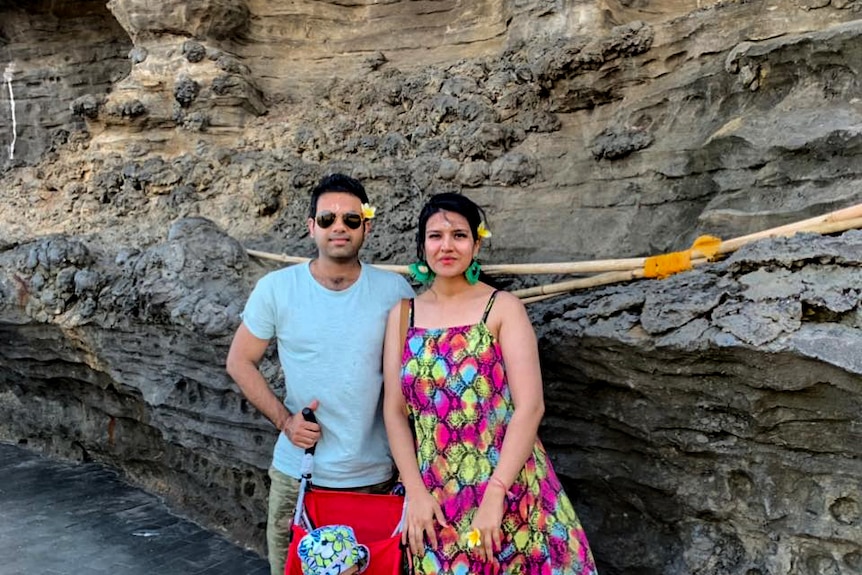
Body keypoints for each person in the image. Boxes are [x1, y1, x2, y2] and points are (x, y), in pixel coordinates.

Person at [382, 193, 598, 574]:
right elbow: (395, 412)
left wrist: (496, 492)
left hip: (509, 485)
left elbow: (531, 407)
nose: (447, 246)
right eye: (435, 236)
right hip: (436, 496)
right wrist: (414, 491)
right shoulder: (403, 315)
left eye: (459, 235)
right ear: (422, 245)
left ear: (476, 244)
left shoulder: (502, 308)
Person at [226, 173, 415, 575]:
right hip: (300, 478)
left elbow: (412, 379)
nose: (339, 227)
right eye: (327, 219)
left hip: (377, 479)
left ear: (367, 224)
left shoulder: (395, 291)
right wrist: (286, 422)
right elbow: (239, 361)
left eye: (351, 219)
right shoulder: (277, 288)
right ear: (311, 226)